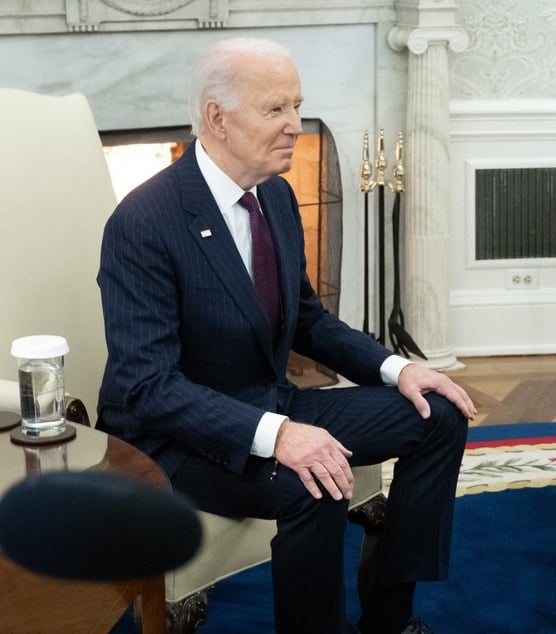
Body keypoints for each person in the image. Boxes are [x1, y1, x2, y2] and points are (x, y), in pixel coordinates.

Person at [97, 37, 476, 634]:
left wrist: (397, 369)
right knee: (313, 481)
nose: (296, 126)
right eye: (276, 109)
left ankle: (387, 614)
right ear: (217, 118)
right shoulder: (144, 223)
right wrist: (278, 436)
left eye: (298, 107)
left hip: (268, 404)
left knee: (438, 415)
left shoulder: (273, 194)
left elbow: (307, 320)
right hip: (174, 439)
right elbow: (148, 388)